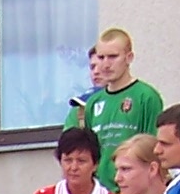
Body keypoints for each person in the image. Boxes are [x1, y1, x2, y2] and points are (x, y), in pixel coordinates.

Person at [66, 28, 164, 180]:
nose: (105, 64)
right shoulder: (93, 102)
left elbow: (152, 147)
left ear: (129, 57)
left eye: (112, 57)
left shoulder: (146, 97)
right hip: (101, 191)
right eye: (101, 57)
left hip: (135, 188)